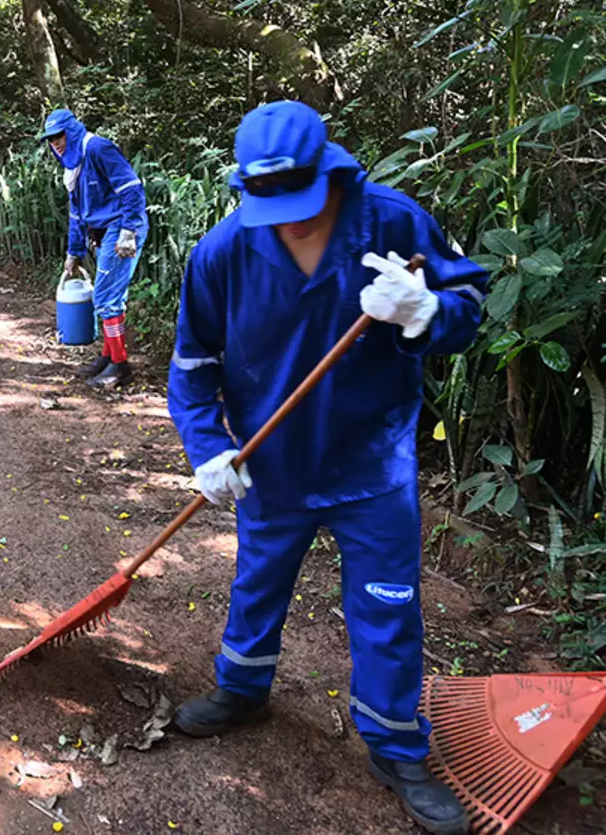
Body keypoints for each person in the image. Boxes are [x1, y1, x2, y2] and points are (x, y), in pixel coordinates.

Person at [167, 101, 488, 835]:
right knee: (257, 582)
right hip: (272, 468)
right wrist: (206, 449)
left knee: (386, 605)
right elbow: (192, 370)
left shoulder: (395, 223)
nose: (291, 221)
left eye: (302, 202)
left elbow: (469, 302)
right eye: (270, 206)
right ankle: (242, 689)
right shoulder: (222, 254)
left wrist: (425, 310)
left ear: (330, 172)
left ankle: (396, 746)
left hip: (372, 463)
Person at [38, 109, 149, 389]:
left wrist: (129, 231)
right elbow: (77, 214)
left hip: (121, 227)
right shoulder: (72, 168)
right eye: (50, 139)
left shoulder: (98, 148)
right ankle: (108, 357)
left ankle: (121, 366)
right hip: (101, 231)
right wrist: (73, 253)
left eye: (59, 136)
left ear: (71, 132)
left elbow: (132, 188)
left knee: (105, 296)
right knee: (111, 296)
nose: (55, 143)